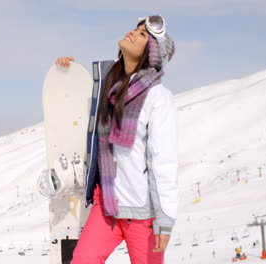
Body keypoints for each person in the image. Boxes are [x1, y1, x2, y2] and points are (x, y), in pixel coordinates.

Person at [56, 15, 178, 264]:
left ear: (152, 53)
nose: (133, 32)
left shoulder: (157, 97)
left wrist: (165, 220)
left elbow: (163, 160)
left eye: (143, 34)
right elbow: (81, 104)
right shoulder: (108, 85)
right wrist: (68, 74)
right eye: (136, 28)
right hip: (107, 207)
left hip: (142, 214)